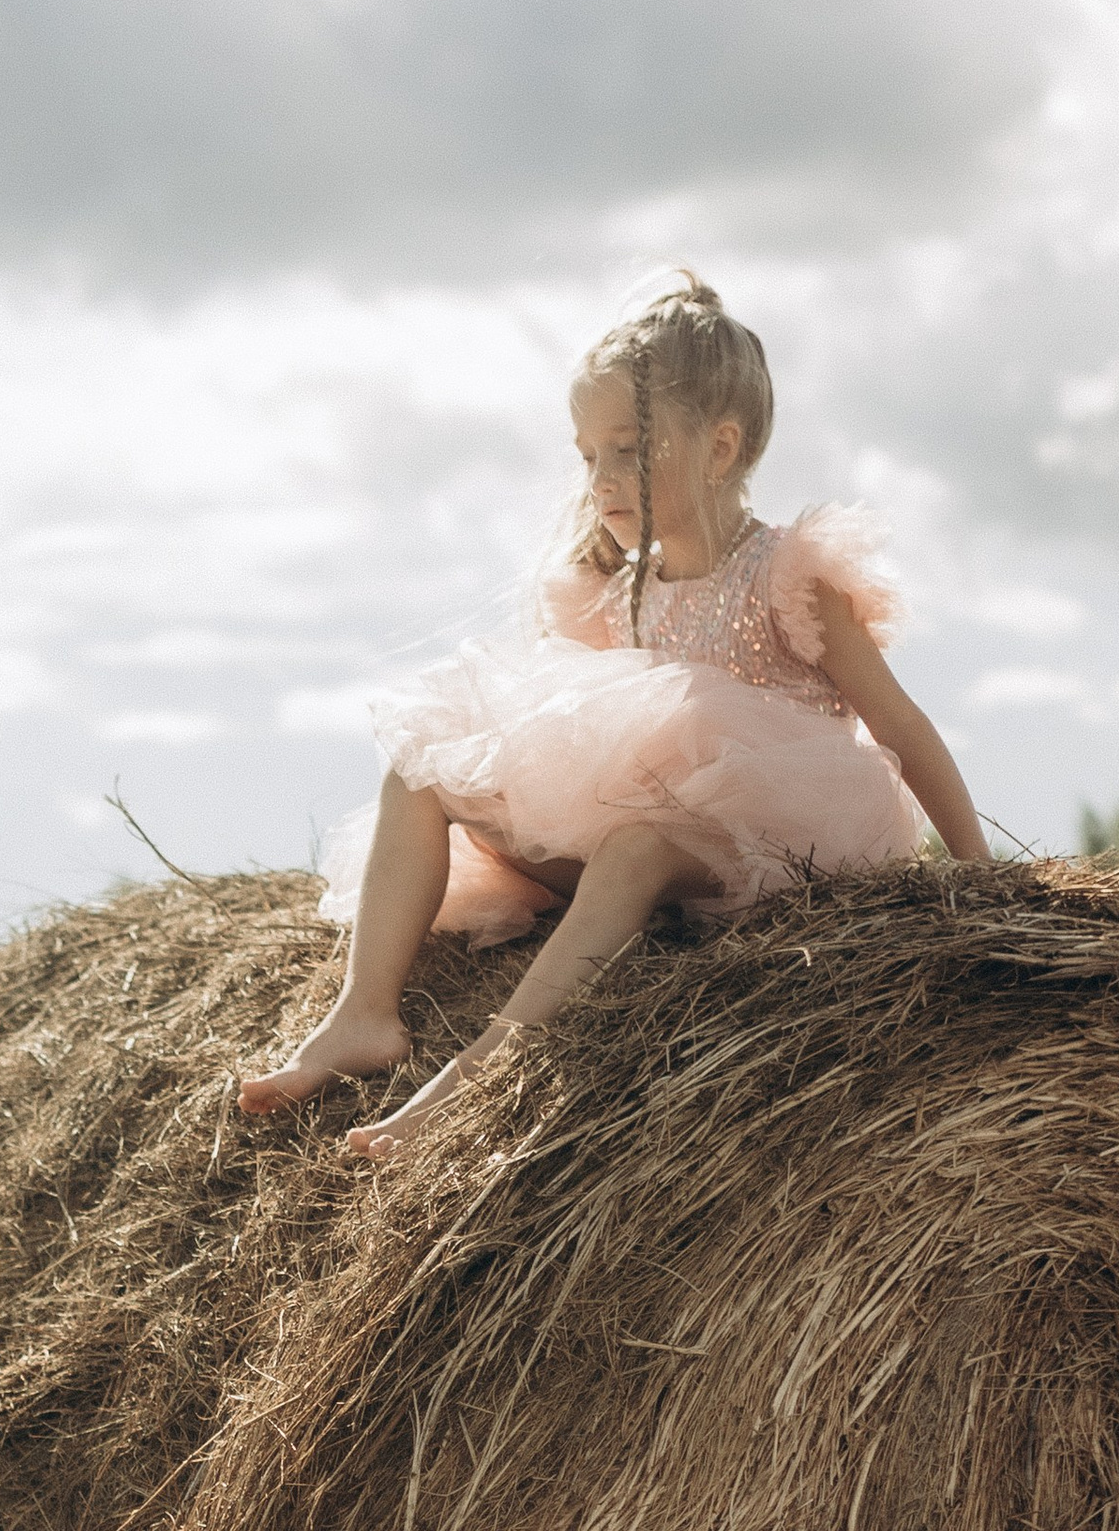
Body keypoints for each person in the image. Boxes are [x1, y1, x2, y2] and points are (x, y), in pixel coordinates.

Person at [239, 274, 990, 1160]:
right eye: (587, 454)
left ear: (718, 450)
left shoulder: (789, 575)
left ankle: (472, 1079)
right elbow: (591, 735)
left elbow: (901, 727)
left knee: (634, 846)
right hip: (644, 833)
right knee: (424, 761)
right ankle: (363, 1012)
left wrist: (981, 879)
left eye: (626, 450)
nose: (599, 480)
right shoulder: (616, 589)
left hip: (771, 847)